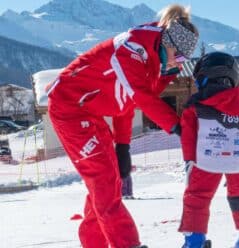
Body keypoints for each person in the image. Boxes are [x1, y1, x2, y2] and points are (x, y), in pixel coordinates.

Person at [47, 4, 198, 248]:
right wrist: (178, 127)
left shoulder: (153, 61)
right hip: (69, 108)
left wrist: (123, 146)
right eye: (179, 56)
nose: (180, 64)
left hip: (90, 113)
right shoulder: (131, 48)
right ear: (168, 42)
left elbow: (126, 103)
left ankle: (93, 243)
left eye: (185, 59)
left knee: (108, 183)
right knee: (104, 181)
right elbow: (141, 97)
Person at [178, 52, 239, 248]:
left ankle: (195, 242)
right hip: (238, 158)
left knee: (198, 196)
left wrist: (189, 161)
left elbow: (188, 136)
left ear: (203, 78)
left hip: (206, 158)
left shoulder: (195, 106)